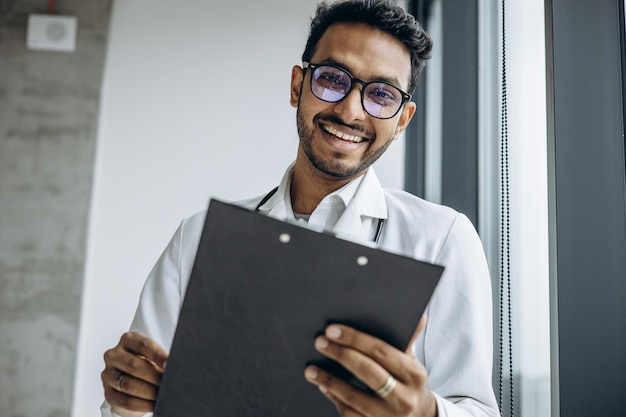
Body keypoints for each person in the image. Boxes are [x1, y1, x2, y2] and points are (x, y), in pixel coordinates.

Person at [100, 1, 500, 416]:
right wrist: (126, 400)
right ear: (297, 86)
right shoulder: (197, 238)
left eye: (381, 94)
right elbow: (139, 403)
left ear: (402, 120)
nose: (349, 110)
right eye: (332, 79)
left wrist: (426, 413)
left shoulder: (442, 239)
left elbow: (478, 410)